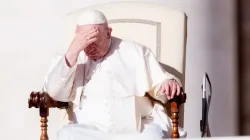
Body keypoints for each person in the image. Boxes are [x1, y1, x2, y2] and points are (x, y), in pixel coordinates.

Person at [43, 9, 187, 140]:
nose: (90, 48)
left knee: (152, 136)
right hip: (88, 129)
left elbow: (160, 82)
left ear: (108, 33)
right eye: (86, 42)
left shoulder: (135, 51)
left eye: (95, 42)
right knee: (67, 134)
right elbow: (54, 92)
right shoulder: (72, 56)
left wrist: (168, 83)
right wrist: (73, 51)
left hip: (135, 129)